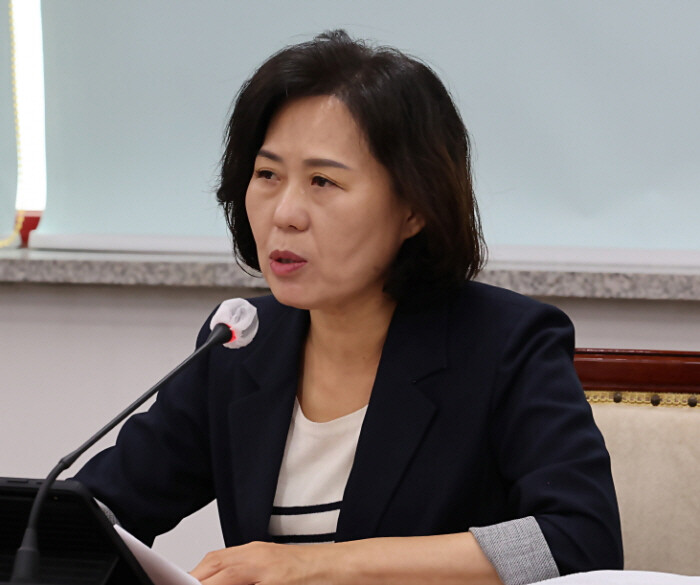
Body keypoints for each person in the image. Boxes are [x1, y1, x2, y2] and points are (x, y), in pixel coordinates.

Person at [75, 30, 623, 584]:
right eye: (267, 175)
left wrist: (324, 565)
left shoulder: (505, 344)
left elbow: (577, 542)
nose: (285, 213)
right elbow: (93, 516)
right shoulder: (239, 346)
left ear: (414, 208)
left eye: (323, 181)